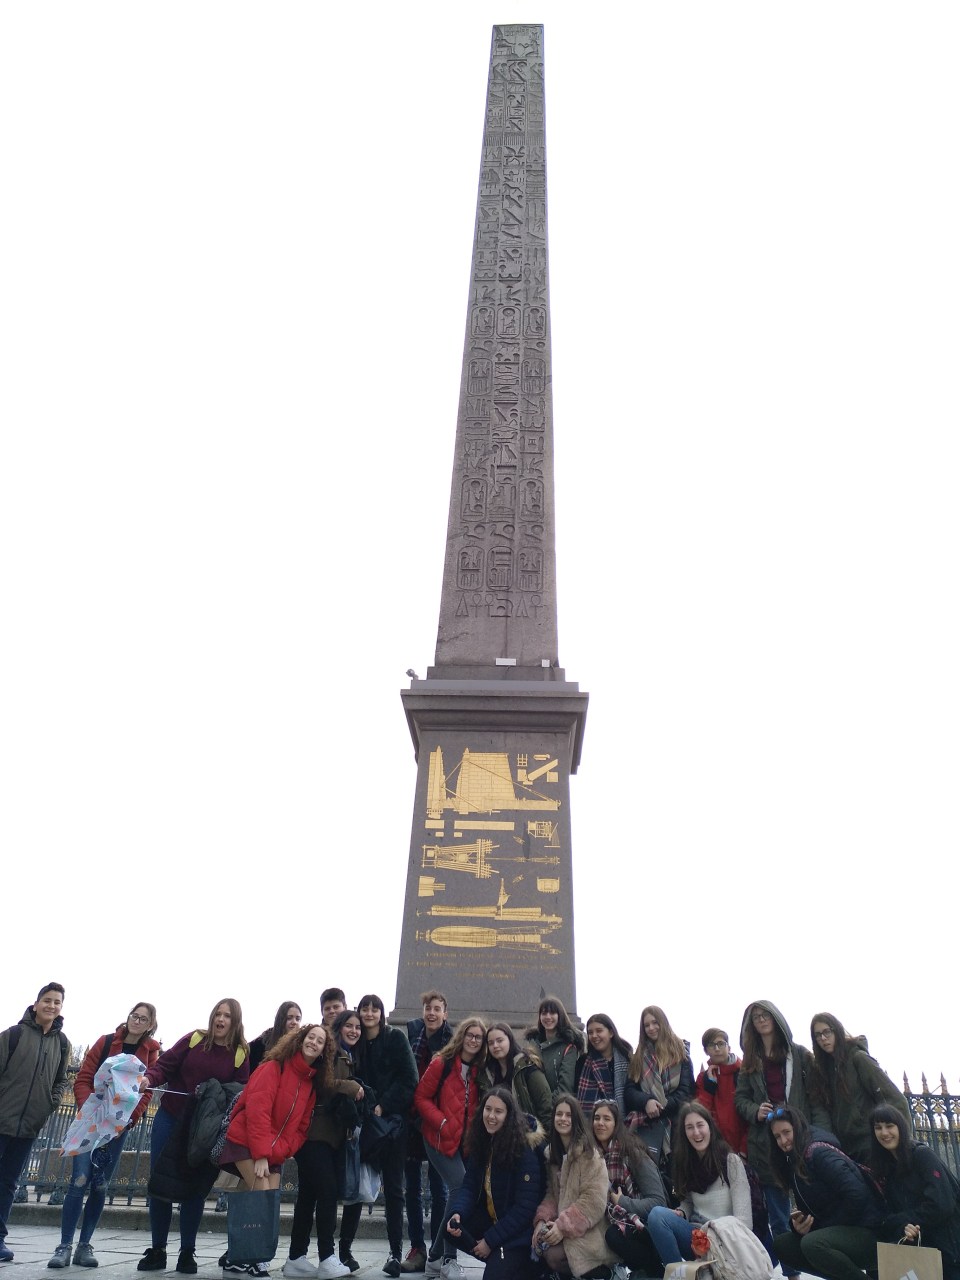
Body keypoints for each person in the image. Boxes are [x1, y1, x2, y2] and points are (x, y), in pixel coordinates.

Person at [137, 998, 250, 1275]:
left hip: (203, 1129)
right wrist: (149, 1079)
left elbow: (239, 1092)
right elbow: (165, 1066)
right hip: (170, 1118)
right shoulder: (194, 1039)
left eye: (227, 1016)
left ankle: (187, 1251)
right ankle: (158, 1249)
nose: (220, 1020)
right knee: (161, 1184)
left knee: (195, 1189)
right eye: (218, 1014)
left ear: (235, 1022)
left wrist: (213, 1091)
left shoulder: (240, 1053)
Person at [48, 1002, 160, 1269]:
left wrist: (129, 1119)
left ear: (150, 1025)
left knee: (100, 1185)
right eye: (134, 1016)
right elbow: (84, 1077)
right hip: (91, 1122)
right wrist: (91, 1109)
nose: (136, 1021)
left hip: (118, 1128)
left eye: (143, 1019)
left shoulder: (151, 1052)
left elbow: (146, 1091)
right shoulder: (106, 1042)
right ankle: (64, 1245)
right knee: (79, 1180)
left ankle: (84, 1245)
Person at [220, 1024, 326, 1278]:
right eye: (310, 1037)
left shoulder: (310, 1084)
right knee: (262, 1196)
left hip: (274, 1150)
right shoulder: (273, 1067)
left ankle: (239, 1258)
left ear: (324, 1050)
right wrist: (261, 1155)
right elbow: (257, 1111)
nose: (313, 1042)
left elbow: (302, 1128)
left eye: (320, 1041)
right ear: (299, 1040)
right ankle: (249, 1258)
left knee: (263, 1201)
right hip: (247, 1141)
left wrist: (283, 1149)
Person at [734, 999, 829, 1268]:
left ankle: (821, 1262)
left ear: (776, 1018)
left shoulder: (799, 1055)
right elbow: (740, 1099)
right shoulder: (751, 1061)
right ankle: (791, 1272)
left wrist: (818, 1134)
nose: (762, 1020)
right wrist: (755, 1110)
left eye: (766, 1015)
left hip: (799, 1139)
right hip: (766, 1145)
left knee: (813, 1207)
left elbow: (815, 1098)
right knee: (778, 1216)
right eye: (756, 1017)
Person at [768, 1104, 882, 1280]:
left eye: (786, 1132)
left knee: (813, 1244)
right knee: (783, 1245)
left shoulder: (819, 1153)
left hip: (868, 1230)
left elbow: (857, 1194)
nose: (783, 1141)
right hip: (838, 1230)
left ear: (797, 1128)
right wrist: (799, 1227)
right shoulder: (793, 1160)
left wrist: (824, 1227)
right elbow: (814, 1209)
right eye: (777, 1136)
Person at [0, 984, 70, 1264]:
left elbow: (61, 1080)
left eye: (57, 1002)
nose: (51, 1006)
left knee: (8, 1183)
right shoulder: (13, 1035)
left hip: (29, 1125)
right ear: (36, 1003)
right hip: (1, 1119)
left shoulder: (62, 1043)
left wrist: (49, 1104)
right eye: (47, 1000)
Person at [443, 1087, 543, 1280]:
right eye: (488, 1109)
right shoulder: (482, 1141)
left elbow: (525, 1209)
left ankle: (514, 1265)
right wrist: (458, 1212)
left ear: (509, 1116)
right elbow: (470, 1186)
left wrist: (490, 1241)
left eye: (498, 1111)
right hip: (494, 1221)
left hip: (520, 1234)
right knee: (452, 1228)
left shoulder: (523, 1149)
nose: (491, 1116)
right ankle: (499, 1259)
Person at [413, 1017, 486, 1277]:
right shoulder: (441, 1063)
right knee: (459, 1186)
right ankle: (447, 1259)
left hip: (462, 1143)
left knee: (459, 1191)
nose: (473, 1040)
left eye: (478, 1037)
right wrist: (442, 1122)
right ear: (461, 1036)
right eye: (470, 1035)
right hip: (437, 1137)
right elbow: (421, 1097)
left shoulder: (479, 1071)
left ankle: (434, 1258)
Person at [645, 1101, 758, 1268]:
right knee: (657, 1216)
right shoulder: (686, 1163)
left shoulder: (730, 1161)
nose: (696, 1132)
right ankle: (677, 1276)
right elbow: (689, 1202)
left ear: (710, 1127)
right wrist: (682, 1212)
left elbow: (744, 1220)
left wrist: (718, 1238)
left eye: (700, 1125)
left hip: (727, 1240)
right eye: (689, 1127)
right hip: (698, 1239)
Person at [355, 995, 419, 1278]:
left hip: (391, 1125)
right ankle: (343, 1252)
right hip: (362, 1123)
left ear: (381, 1013)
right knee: (355, 1185)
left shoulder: (395, 1038)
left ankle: (395, 1251)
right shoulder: (356, 1041)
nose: (369, 1013)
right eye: (365, 1008)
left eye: (374, 1009)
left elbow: (409, 1078)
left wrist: (384, 1105)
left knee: (394, 1189)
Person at [871, 1103, 960, 1280]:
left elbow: (941, 1204)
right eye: (878, 1128)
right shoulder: (885, 1167)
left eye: (889, 1126)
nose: (884, 1133)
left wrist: (909, 1220)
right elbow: (888, 1214)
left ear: (901, 1127)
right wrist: (904, 1226)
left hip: (949, 1249)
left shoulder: (922, 1155)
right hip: (920, 1251)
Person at [808, 1012, 910, 1164]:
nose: (823, 1038)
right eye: (817, 1035)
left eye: (827, 1032)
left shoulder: (858, 1058)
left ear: (837, 1030)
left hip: (871, 1144)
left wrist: (904, 1145)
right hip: (846, 1149)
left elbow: (896, 1100)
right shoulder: (823, 1070)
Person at [404, 991, 454, 1274]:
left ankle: (437, 1249)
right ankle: (417, 1248)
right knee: (411, 1188)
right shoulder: (412, 1035)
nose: (432, 1013)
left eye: (437, 1009)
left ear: (445, 1013)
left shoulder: (453, 1042)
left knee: (440, 1189)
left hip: (438, 1122)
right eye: (428, 1008)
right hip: (413, 1120)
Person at [592, 1098, 667, 1278]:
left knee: (613, 1235)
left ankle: (658, 1273)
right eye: (596, 1118)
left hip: (647, 1225)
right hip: (617, 1220)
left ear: (616, 1124)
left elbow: (659, 1202)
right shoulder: (594, 1159)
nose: (600, 1123)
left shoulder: (632, 1152)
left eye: (607, 1119)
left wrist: (622, 1201)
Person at [624, 1006, 694, 1167]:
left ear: (663, 1023)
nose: (651, 1028)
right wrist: (646, 1101)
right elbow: (629, 1091)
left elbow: (687, 1092)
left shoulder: (681, 1054)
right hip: (646, 1127)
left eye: (655, 1023)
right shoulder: (638, 1057)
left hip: (676, 1126)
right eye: (646, 1025)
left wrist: (659, 1107)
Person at [484, 1025, 552, 1132]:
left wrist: (544, 1136)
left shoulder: (527, 1066)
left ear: (510, 1040)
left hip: (526, 1133)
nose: (495, 1046)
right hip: (498, 1133)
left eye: (500, 1041)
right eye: (491, 1043)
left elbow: (545, 1104)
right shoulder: (488, 1072)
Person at [695, 1027, 747, 1155]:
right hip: (715, 1148)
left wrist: (744, 1149)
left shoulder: (743, 1072)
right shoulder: (703, 1078)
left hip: (744, 1148)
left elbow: (750, 1115)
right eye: (712, 1045)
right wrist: (709, 1089)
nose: (717, 1049)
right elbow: (701, 1113)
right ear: (706, 1051)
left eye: (721, 1044)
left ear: (729, 1047)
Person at [524, 995, 584, 1099]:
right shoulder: (532, 1047)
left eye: (552, 1013)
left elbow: (565, 1087)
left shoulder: (569, 1047)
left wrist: (546, 1105)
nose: (548, 1017)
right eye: (544, 1013)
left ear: (560, 1016)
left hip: (556, 1105)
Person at [575, 1013, 633, 1117]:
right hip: (591, 1121)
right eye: (590, 1032)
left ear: (611, 1033)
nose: (594, 1036)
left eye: (599, 1031)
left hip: (624, 1120)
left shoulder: (628, 1059)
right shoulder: (582, 1062)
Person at [249, 1002, 302, 1072]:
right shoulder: (261, 1043)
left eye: (298, 1019)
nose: (294, 1022)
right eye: (289, 1018)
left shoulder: (301, 1045)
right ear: (281, 1020)